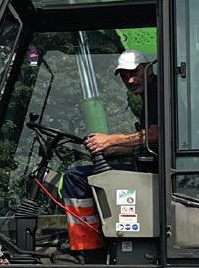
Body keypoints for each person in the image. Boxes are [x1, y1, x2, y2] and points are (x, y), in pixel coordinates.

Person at [60, 49, 158, 255]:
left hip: (153, 171)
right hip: (150, 165)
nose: (130, 80)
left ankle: (87, 248)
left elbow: (156, 134)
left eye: (134, 73)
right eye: (124, 76)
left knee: (75, 178)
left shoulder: (157, 93)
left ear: (149, 70)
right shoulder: (152, 93)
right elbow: (145, 141)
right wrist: (111, 149)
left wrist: (110, 140)